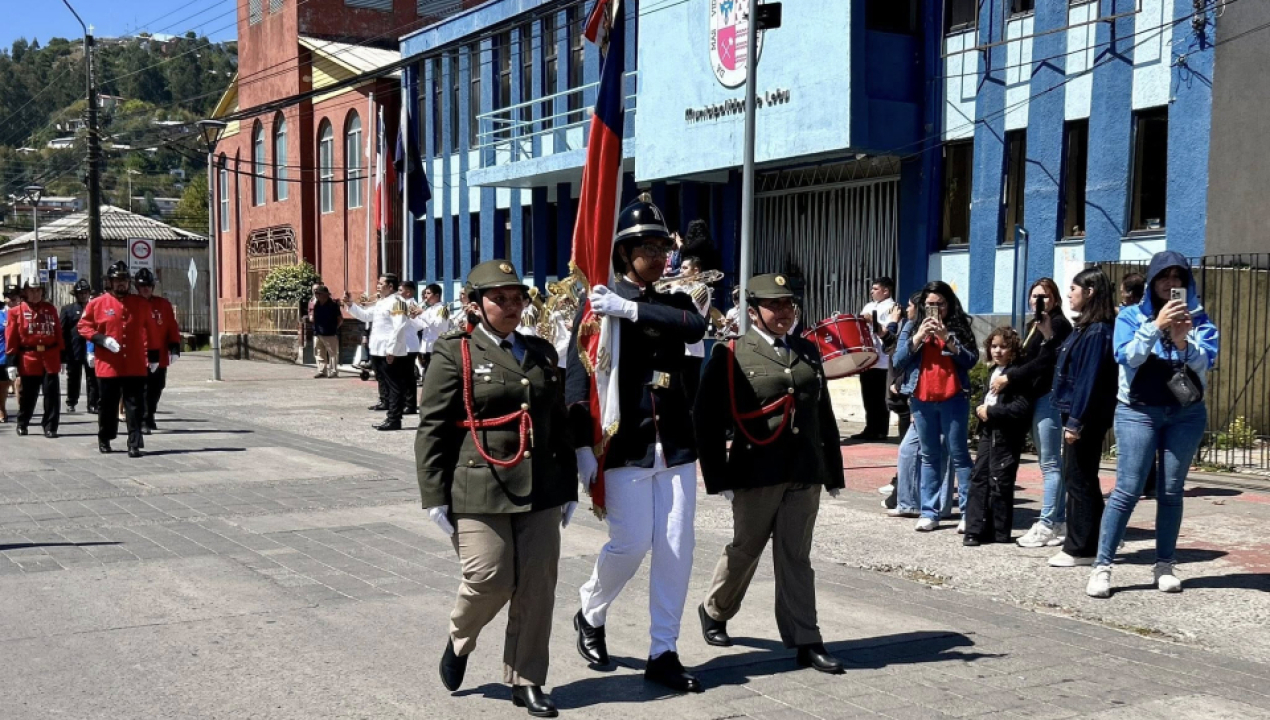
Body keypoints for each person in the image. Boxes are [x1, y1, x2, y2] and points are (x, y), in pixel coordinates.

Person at [417, 260, 577, 718]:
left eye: (517, 298)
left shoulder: (539, 351)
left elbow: (557, 421)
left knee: (538, 584)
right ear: (475, 304)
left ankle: (527, 679)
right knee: (489, 577)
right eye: (499, 299)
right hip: (479, 482)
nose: (511, 306)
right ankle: (459, 638)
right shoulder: (456, 351)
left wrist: (568, 486)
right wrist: (433, 496)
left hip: (541, 485)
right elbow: (433, 427)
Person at [568, 196, 708, 694]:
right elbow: (577, 378)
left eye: (661, 246)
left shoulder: (671, 301)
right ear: (625, 253)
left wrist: (629, 309)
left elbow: (696, 326)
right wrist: (582, 447)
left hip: (674, 443)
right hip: (625, 442)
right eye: (647, 246)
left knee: (675, 547)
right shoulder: (597, 303)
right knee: (630, 544)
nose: (658, 255)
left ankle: (663, 651)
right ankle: (590, 610)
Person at [693, 273, 846, 674]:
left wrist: (832, 471)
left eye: (788, 304)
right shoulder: (732, 353)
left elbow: (822, 413)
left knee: (796, 556)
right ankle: (715, 609)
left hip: (803, 469)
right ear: (753, 312)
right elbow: (706, 420)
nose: (783, 312)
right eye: (773, 305)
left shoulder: (807, 350)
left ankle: (806, 640)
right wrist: (718, 478)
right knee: (746, 548)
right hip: (756, 469)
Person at [1087, 252, 1219, 598]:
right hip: (1138, 412)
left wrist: (1182, 340)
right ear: (1151, 282)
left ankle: (1164, 565)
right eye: (1164, 276)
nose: (1171, 283)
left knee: (1171, 491)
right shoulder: (1131, 316)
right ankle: (1102, 566)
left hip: (1185, 413)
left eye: (1178, 277)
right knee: (1127, 489)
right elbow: (1126, 356)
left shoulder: (1198, 318)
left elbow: (1207, 361)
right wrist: (1156, 326)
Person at [892, 281, 978, 532]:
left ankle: (968, 513)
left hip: (954, 397)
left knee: (959, 455)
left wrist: (947, 339)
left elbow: (971, 360)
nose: (935, 309)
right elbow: (898, 360)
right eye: (930, 304)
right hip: (922, 399)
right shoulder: (912, 326)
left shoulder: (958, 327)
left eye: (940, 304)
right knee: (929, 456)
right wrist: (919, 337)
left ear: (949, 305)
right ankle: (929, 512)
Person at [1047, 268, 1119, 567]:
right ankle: (1093, 541)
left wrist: (1076, 422)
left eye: (1073, 289)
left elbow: (1089, 380)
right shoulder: (1085, 327)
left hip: (1085, 416)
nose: (1069, 295)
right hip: (1077, 412)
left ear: (1090, 292)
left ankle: (1081, 548)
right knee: (1080, 478)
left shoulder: (1098, 331)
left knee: (1079, 479)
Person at [995, 278, 1073, 549]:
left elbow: (1045, 361)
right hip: (1036, 397)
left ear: (1055, 300)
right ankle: (1059, 521)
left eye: (1045, 297)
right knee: (1049, 462)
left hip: (1049, 398)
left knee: (1050, 464)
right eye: (1035, 296)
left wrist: (1010, 377)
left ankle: (1048, 522)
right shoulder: (1034, 326)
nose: (1038, 301)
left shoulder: (1058, 324)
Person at [79, 261, 159, 457]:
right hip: (109, 364)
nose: (121, 284)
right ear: (110, 282)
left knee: (135, 405)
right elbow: (83, 326)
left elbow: (151, 330)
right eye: (117, 280)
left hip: (134, 363)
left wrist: (154, 355)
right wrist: (101, 339)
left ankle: (134, 443)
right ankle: (105, 437)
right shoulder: (97, 303)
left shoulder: (140, 304)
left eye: (124, 280)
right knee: (108, 405)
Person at [963, 327, 1032, 546]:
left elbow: (1021, 408)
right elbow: (988, 398)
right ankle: (974, 529)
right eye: (994, 346)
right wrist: (980, 409)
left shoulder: (1017, 374)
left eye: (1003, 347)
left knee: (1000, 481)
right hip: (988, 430)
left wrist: (992, 411)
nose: (997, 351)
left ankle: (1000, 531)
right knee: (979, 477)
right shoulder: (993, 370)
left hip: (1006, 434)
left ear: (1013, 349)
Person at [342, 275, 414, 431]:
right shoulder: (382, 302)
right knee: (386, 384)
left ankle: (394, 419)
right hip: (377, 349)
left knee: (394, 385)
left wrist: (392, 349)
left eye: (381, 283)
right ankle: (391, 415)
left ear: (390, 286)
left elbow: (399, 326)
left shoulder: (398, 302)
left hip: (388, 350)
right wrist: (350, 304)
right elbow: (366, 316)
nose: (378, 286)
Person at [5, 279, 64, 438]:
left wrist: (62, 356)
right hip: (29, 358)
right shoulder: (16, 311)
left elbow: (58, 332)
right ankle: (23, 422)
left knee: (52, 395)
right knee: (28, 395)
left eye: (38, 290)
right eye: (31, 290)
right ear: (25, 292)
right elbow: (12, 337)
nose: (35, 294)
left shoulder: (50, 309)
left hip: (50, 356)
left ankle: (50, 427)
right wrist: (11, 362)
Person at [135, 269, 182, 434]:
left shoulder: (163, 305)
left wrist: (174, 346)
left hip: (159, 355)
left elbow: (171, 326)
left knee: (157, 386)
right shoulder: (132, 304)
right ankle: (143, 419)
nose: (146, 289)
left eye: (148, 286)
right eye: (142, 286)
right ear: (137, 287)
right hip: (139, 356)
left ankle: (150, 414)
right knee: (143, 389)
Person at [854, 277, 897, 440]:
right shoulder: (869, 306)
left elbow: (890, 331)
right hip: (867, 357)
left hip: (883, 359)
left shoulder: (893, 307)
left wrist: (873, 321)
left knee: (880, 397)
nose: (872, 292)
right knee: (868, 395)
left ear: (886, 291)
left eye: (875, 289)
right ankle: (870, 427)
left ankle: (880, 430)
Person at [60, 279, 97, 414]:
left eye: (85, 293)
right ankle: (71, 402)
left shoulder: (95, 308)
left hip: (91, 348)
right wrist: (62, 354)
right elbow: (62, 331)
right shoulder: (68, 310)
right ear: (76, 294)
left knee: (92, 378)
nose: (83, 295)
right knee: (74, 378)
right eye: (80, 293)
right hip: (73, 349)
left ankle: (92, 404)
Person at [416, 283, 449, 379]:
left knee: (433, 377)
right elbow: (421, 326)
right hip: (427, 348)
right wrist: (413, 317)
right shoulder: (429, 309)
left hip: (437, 347)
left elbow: (438, 326)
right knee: (426, 376)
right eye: (425, 293)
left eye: (428, 293)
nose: (425, 296)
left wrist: (423, 314)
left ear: (437, 295)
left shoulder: (444, 309)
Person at [310, 285, 342, 378]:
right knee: (319, 353)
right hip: (318, 333)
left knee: (333, 354)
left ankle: (333, 372)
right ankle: (322, 371)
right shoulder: (316, 305)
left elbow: (340, 319)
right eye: (316, 293)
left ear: (324, 295)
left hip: (330, 333)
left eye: (318, 293)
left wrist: (334, 328)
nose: (316, 295)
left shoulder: (333, 305)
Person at [0, 285, 20, 423]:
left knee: (19, 383)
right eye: (9, 296)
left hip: (21, 354)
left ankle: (23, 412)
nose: (12, 298)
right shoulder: (1, 314)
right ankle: (2, 409)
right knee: (3, 385)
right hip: (3, 354)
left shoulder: (25, 312)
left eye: (15, 296)